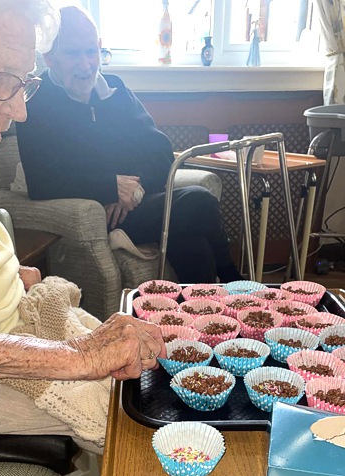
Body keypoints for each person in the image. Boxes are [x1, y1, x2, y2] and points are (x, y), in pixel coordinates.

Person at [0, 0, 163, 455]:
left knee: (152, 375)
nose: (20, 111)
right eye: (4, 80)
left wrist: (8, 277)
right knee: (145, 429)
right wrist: (80, 357)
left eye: (24, 84)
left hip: (19, 320)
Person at [16, 5, 242, 284]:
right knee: (200, 200)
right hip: (100, 217)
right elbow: (42, 183)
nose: (86, 65)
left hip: (137, 206)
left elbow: (160, 151)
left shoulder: (115, 90)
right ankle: (236, 285)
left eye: (91, 51)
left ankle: (204, 320)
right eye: (73, 54)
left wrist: (134, 190)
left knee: (193, 245)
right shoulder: (35, 103)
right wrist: (111, 186)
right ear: (50, 57)